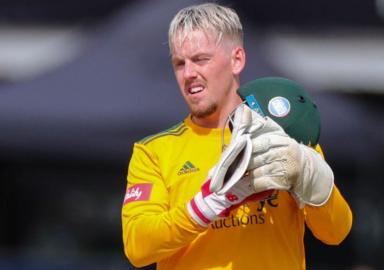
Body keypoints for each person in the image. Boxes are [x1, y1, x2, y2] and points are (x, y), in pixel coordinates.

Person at [121, 3, 352, 270]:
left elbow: (337, 232)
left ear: (237, 59)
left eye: (200, 59)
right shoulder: (154, 151)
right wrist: (210, 203)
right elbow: (138, 247)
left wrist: (308, 173)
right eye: (179, 63)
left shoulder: (284, 132)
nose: (188, 73)